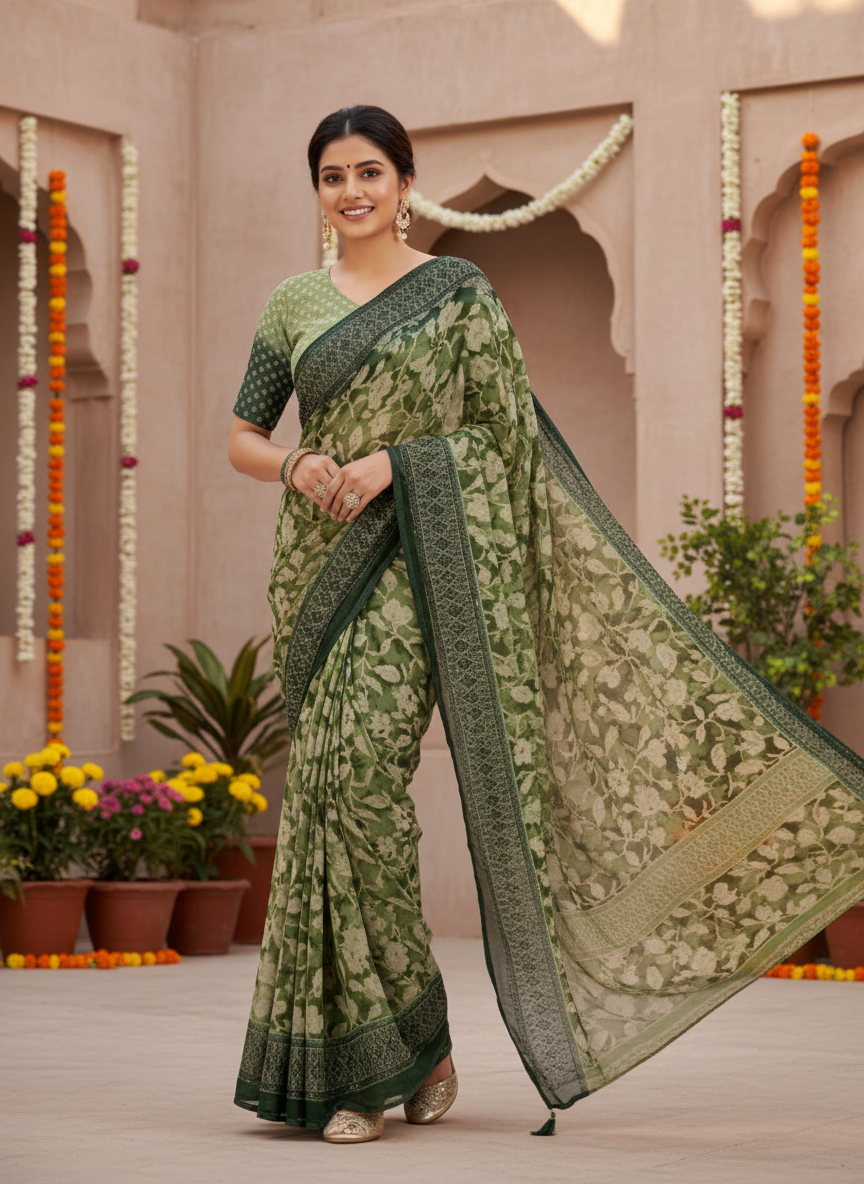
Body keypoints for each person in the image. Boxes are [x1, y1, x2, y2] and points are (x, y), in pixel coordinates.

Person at [228, 105, 864, 1145]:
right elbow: (243, 434)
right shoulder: (293, 303)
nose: (352, 192)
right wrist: (297, 463)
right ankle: (395, 1054)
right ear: (319, 191)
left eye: (370, 172)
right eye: (333, 176)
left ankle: (395, 1052)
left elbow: (504, 436)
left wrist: (397, 463)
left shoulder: (458, 292)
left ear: (405, 183)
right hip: (317, 570)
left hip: (417, 564)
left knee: (364, 778)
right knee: (329, 794)